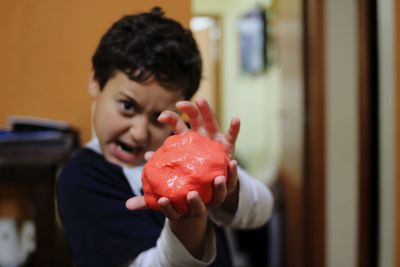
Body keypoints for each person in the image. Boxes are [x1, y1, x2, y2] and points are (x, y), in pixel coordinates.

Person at [56, 6, 274, 267]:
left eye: (158, 117)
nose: (138, 133)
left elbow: (262, 210)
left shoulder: (186, 156)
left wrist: (225, 180)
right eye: (127, 106)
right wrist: (186, 219)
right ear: (96, 80)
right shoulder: (82, 178)